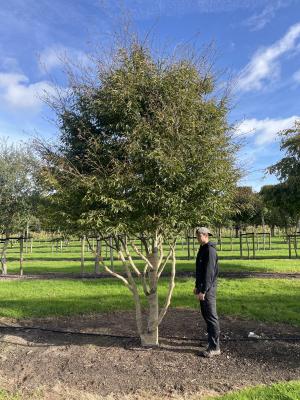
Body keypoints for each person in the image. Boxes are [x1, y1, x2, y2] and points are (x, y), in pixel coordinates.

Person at [194, 227, 220, 357]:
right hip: (203, 288)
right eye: (197, 236)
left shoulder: (210, 251)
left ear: (205, 235)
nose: (197, 238)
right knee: (206, 316)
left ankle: (215, 347)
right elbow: (200, 270)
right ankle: (210, 341)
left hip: (208, 290)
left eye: (199, 236)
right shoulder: (203, 248)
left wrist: (203, 290)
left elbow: (209, 274)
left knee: (211, 317)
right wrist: (197, 286)